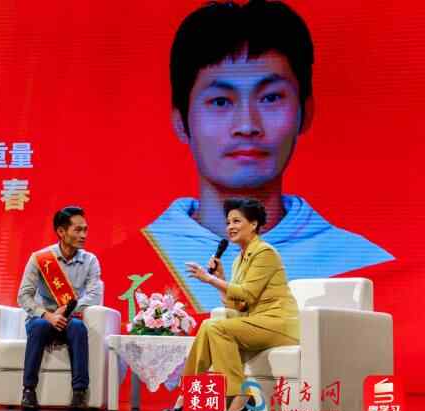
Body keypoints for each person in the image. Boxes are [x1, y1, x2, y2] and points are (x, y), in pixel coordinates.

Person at [103, 0, 394, 317]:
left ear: (306, 113)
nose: (246, 125)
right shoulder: (115, 271)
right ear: (180, 121)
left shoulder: (365, 265)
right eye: (220, 101)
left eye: (270, 98)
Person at [162, 197, 299, 411]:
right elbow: (238, 305)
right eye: (228, 222)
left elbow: (248, 293)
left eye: (236, 221)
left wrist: (210, 279)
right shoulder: (238, 260)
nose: (230, 227)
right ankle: (188, 394)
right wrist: (221, 279)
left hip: (279, 323)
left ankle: (240, 394)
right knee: (208, 326)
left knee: (217, 328)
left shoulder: (265, 252)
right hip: (256, 321)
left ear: (253, 224)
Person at [17, 206, 103, 410]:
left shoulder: (90, 261)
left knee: (78, 328)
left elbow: (95, 296)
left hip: (70, 319)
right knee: (39, 326)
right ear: (61, 232)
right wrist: (47, 315)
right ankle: (28, 391)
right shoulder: (40, 258)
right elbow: (23, 296)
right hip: (43, 319)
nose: (83, 235)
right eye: (78, 230)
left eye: (85, 229)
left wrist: (66, 310)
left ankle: (79, 393)